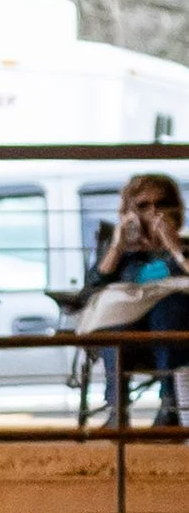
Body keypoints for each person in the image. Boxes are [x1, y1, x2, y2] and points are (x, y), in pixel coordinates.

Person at [77, 173, 189, 424]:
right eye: (143, 205)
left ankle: (170, 406)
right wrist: (117, 248)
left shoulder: (184, 247)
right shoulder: (121, 254)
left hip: (172, 334)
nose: (154, 212)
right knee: (113, 321)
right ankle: (117, 408)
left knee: (169, 305)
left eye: (161, 204)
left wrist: (174, 249)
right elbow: (91, 290)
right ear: (130, 211)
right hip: (128, 336)